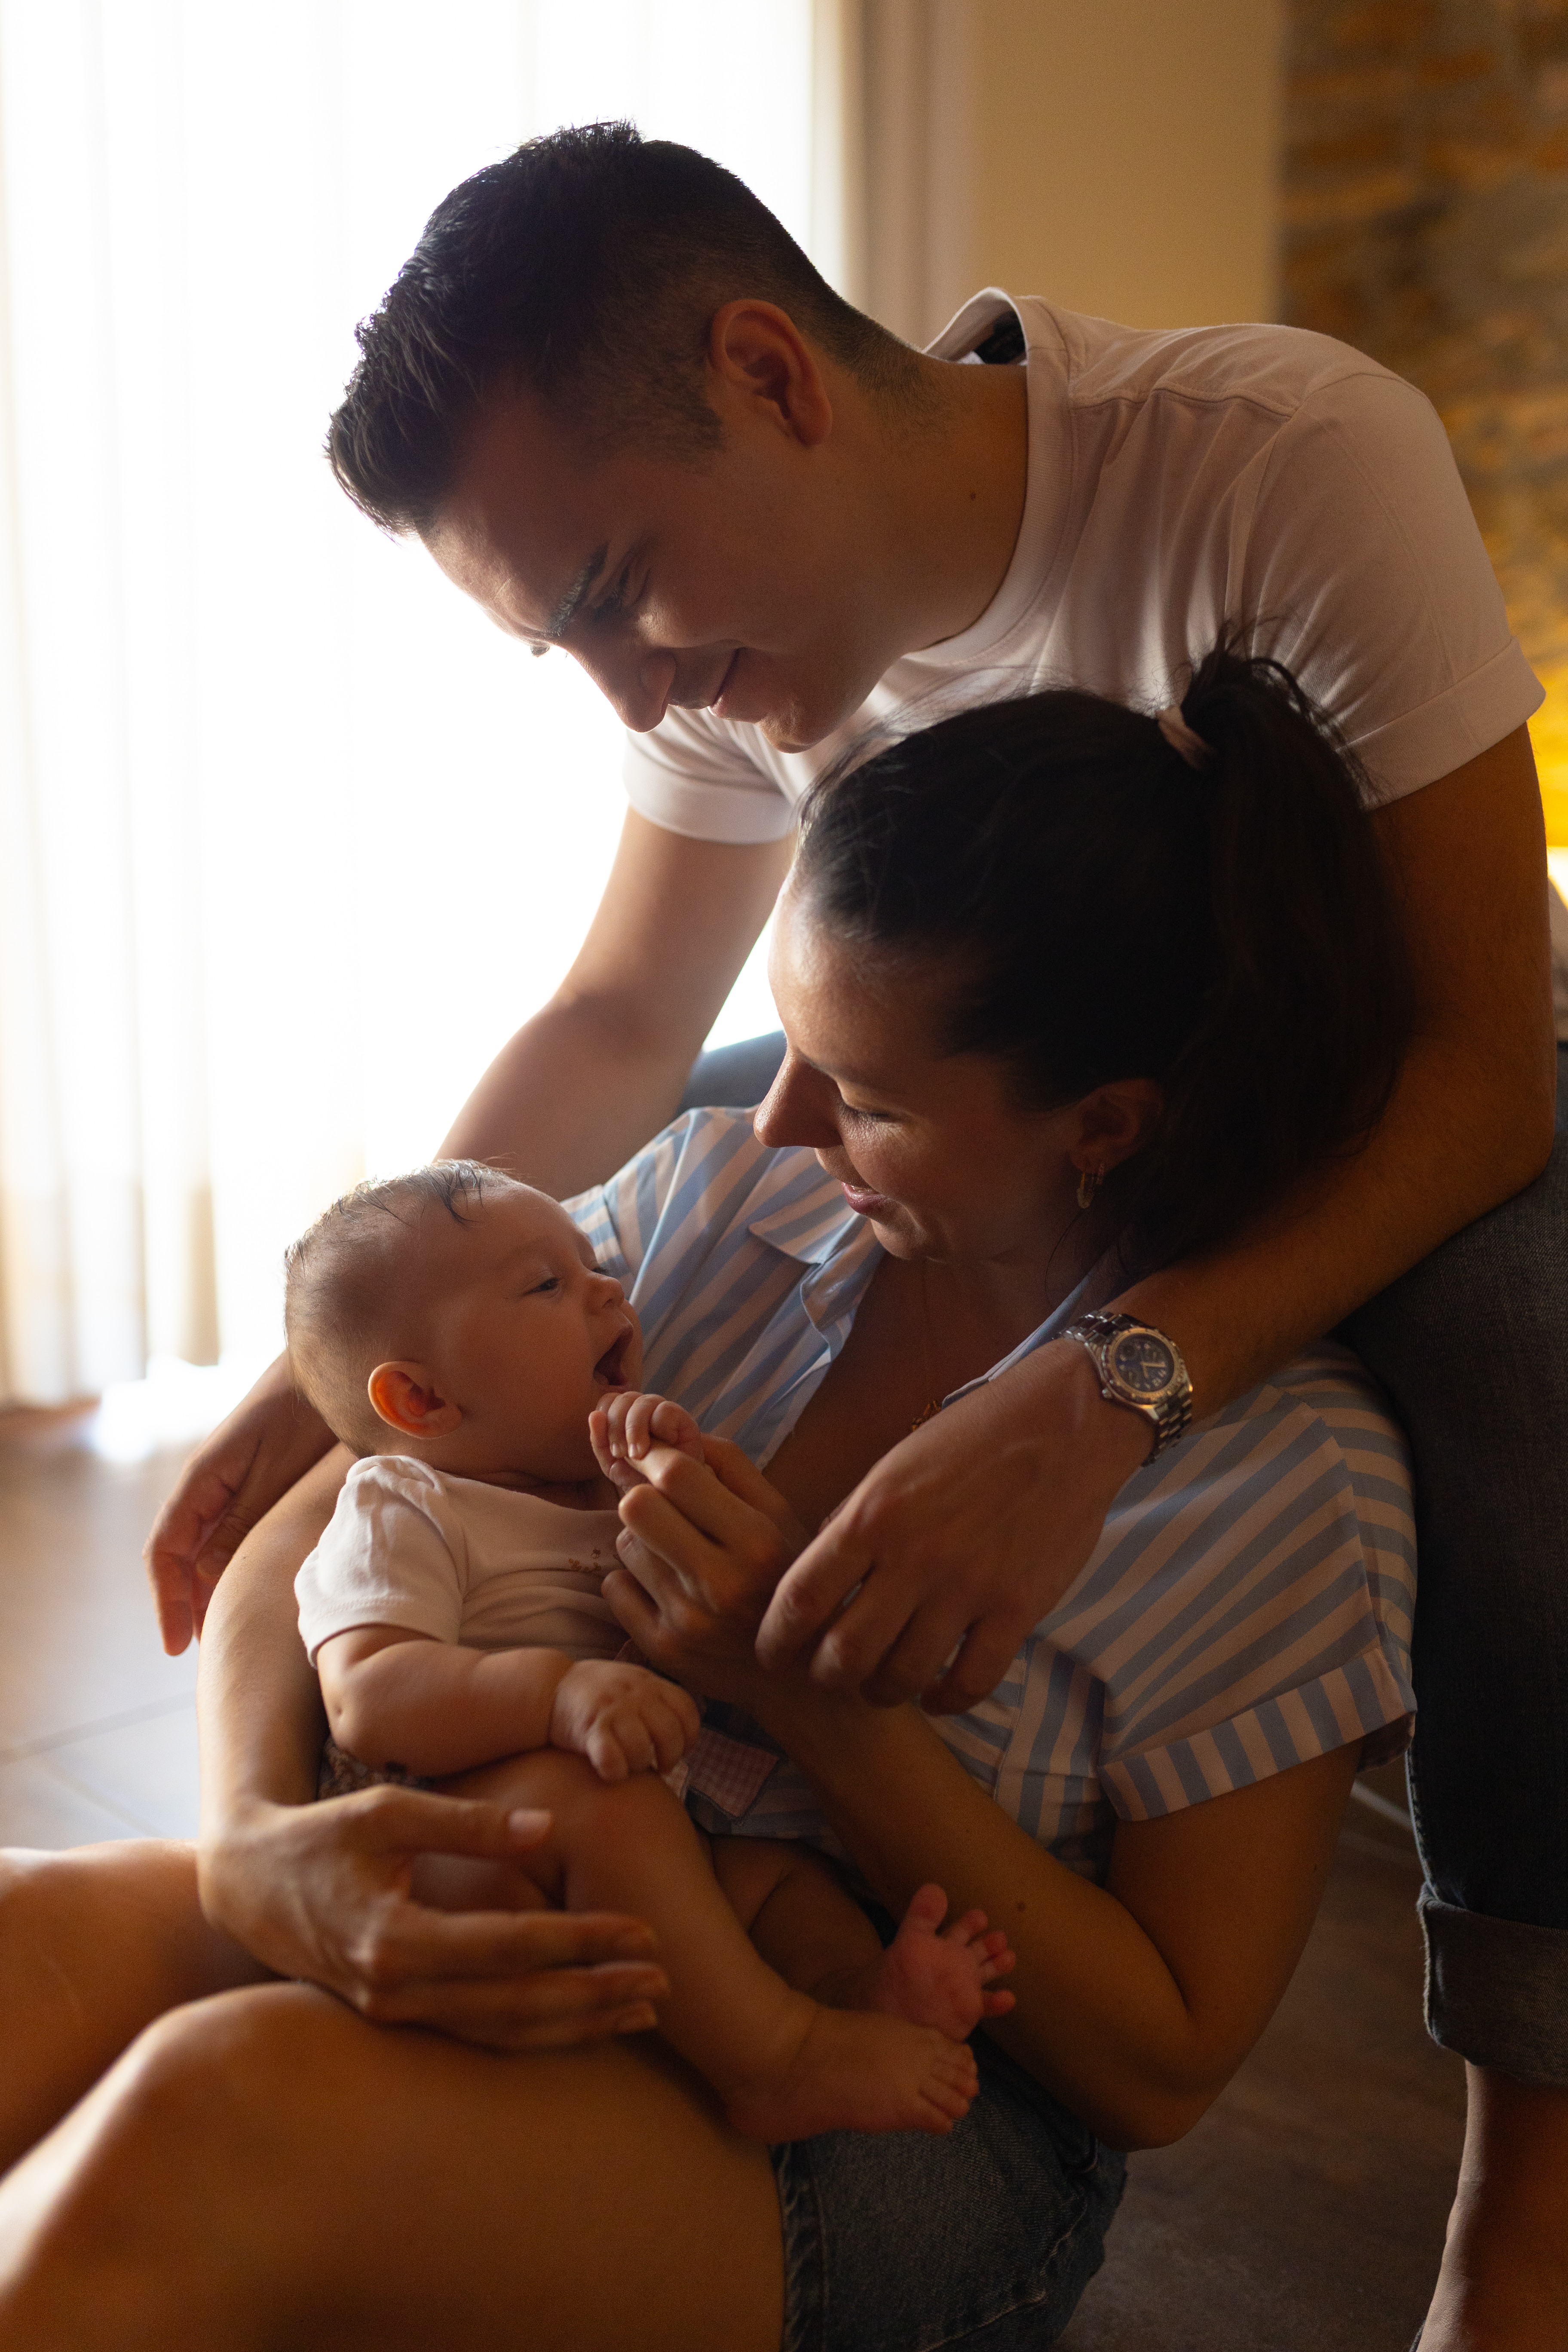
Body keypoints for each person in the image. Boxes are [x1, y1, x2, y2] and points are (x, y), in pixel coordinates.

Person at [143, 126, 1564, 2346]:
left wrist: (1108, 1390)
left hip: (1411, 1068)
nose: (626, 686)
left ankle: (1534, 2186)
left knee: (1533, 1321)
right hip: (946, 1073)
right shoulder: (744, 692)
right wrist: (337, 1364)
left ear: (772, 378)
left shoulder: (1280, 461)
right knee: (633, 1201)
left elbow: (1488, 1065)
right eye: (562, 642)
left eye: (614, 586)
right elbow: (630, 1015)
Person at [0, 652, 1419, 2345]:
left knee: (221, 2117)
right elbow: (358, 1493)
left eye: (869, 1098)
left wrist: (794, 1690)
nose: (779, 1115)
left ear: (1104, 1126)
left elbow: (1161, 2061)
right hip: (549, 1884)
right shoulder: (724, 1197)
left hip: (889, 2095)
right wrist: (251, 1843)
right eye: (795, 1043)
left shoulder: (1287, 1478)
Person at [285, 1162, 1009, 2141]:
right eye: (547, 1286)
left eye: (591, 1265)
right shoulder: (403, 1506)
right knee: (608, 1813)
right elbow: (367, 1695)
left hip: (638, 1830)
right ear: (421, 1401)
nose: (608, 1290)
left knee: (778, 1881)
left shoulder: (595, 1483)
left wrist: (676, 1468)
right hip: (451, 1843)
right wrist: (557, 1695)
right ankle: (776, 2061)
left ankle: (850, 1995)